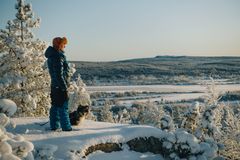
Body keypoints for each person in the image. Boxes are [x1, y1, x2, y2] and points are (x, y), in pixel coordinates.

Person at [44, 37, 72, 131]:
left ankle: (54, 126)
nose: (65, 46)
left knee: (55, 106)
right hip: (60, 87)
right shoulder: (58, 56)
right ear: (59, 45)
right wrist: (64, 87)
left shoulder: (52, 55)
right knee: (63, 107)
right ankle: (66, 128)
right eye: (64, 44)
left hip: (54, 86)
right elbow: (59, 75)